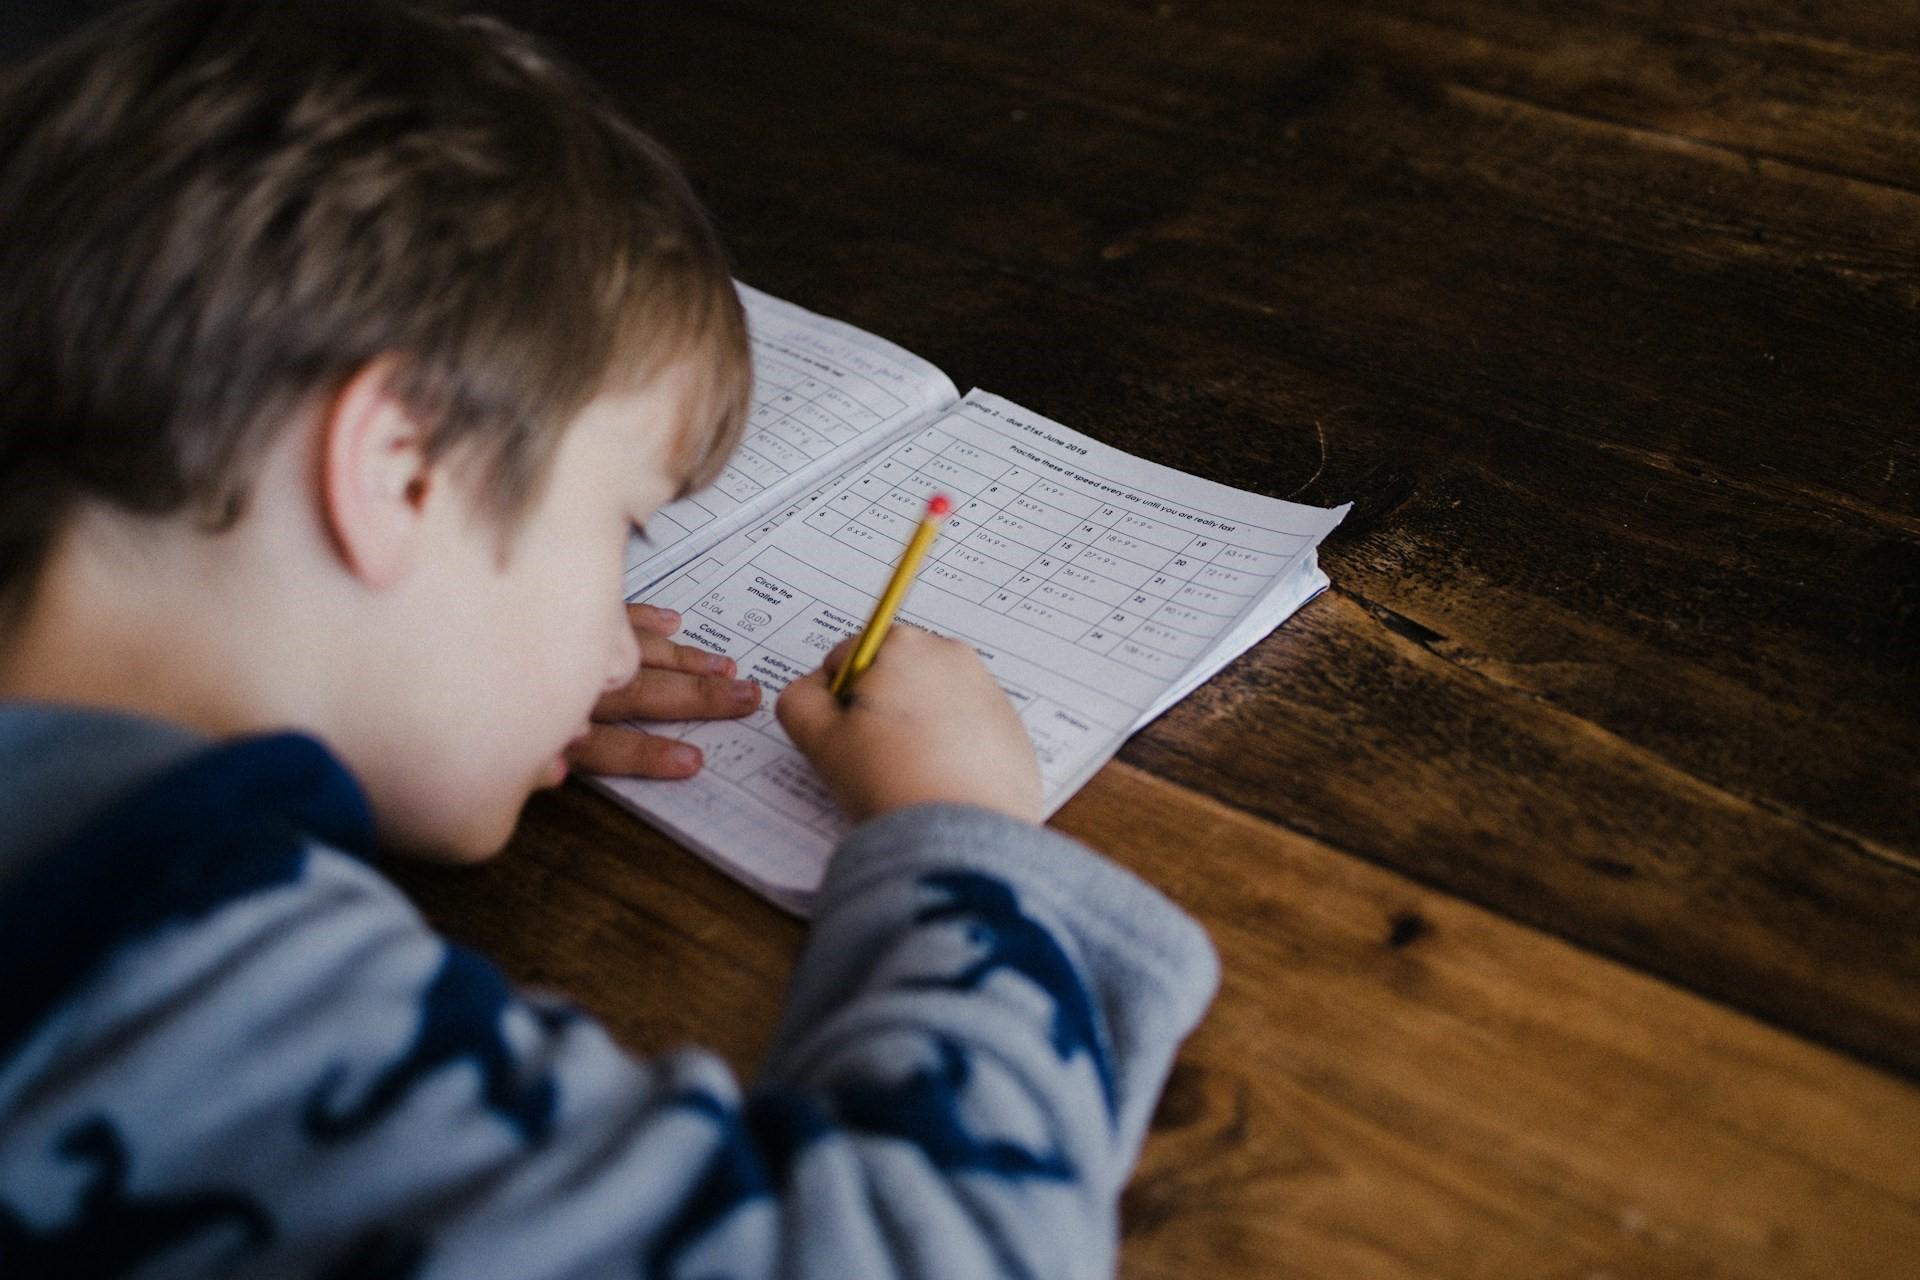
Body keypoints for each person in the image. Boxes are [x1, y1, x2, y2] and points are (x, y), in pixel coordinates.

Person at [0, 2, 1219, 1276]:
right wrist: (964, 845)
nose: (620, 651)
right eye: (623, 526)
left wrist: (430, 696)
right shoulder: (172, 985)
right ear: (403, 471)